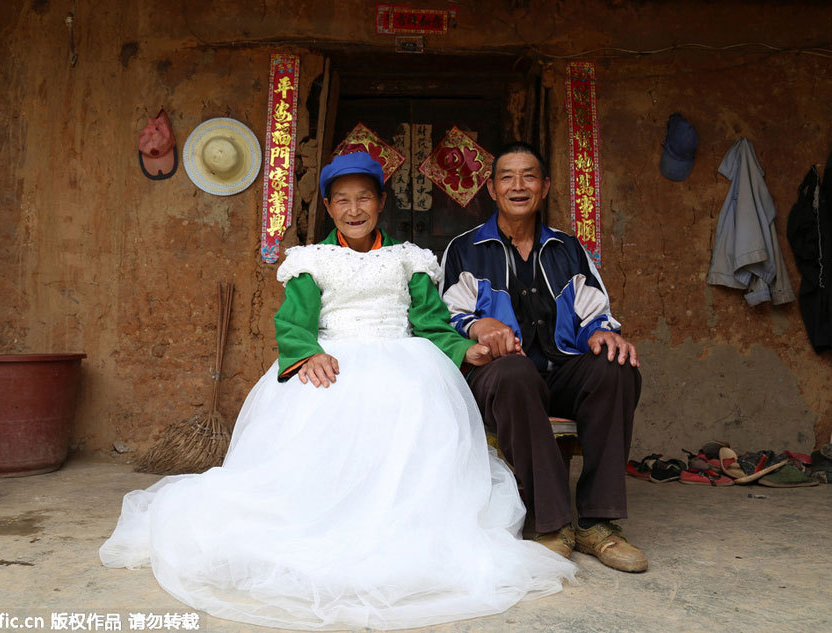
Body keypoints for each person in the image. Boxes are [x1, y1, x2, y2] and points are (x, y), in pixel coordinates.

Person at [100, 152, 576, 630]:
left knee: (413, 423)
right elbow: (293, 322)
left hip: (404, 362)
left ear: (381, 202)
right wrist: (307, 352)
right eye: (343, 201)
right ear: (328, 207)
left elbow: (430, 323)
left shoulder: (408, 258)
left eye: (364, 199)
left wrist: (462, 351)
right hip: (333, 359)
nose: (354, 210)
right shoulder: (313, 261)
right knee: (323, 425)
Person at [440, 142, 646, 572]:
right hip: (501, 377)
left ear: (545, 186)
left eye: (529, 176)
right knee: (514, 372)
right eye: (507, 177)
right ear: (492, 189)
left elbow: (595, 314)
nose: (518, 186)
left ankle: (598, 522)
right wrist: (480, 327)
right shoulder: (465, 248)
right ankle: (551, 522)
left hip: (561, 372)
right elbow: (448, 316)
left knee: (616, 367)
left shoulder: (567, 249)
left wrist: (605, 337)